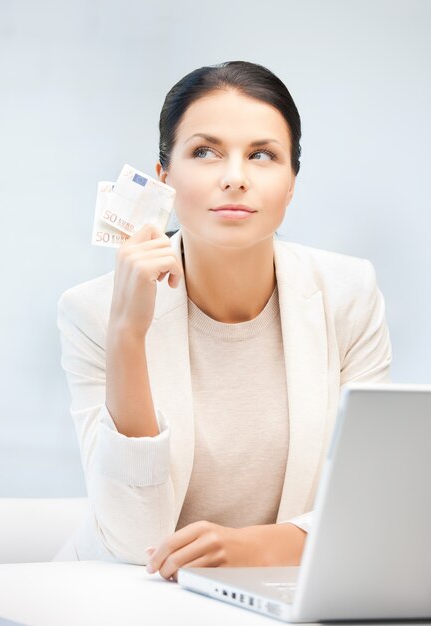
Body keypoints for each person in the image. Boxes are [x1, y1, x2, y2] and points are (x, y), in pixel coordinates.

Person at [54, 60, 392, 581]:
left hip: (277, 595)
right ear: (164, 179)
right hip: (125, 598)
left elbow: (371, 507)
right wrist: (126, 335)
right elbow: (131, 540)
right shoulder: (92, 313)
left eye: (262, 155)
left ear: (292, 182)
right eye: (205, 152)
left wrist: (253, 549)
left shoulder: (348, 293)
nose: (235, 178)